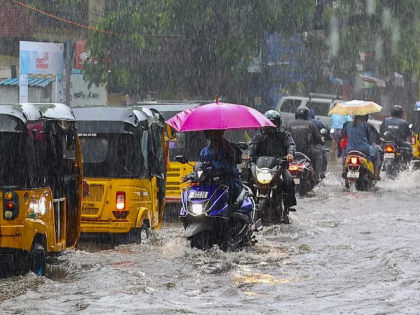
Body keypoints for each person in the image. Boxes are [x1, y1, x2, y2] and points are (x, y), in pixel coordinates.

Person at [248, 110, 297, 221]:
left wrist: (290, 154)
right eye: (268, 123)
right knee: (246, 177)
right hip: (261, 168)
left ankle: (287, 207)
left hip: (279, 167)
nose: (270, 125)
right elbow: (252, 146)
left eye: (273, 122)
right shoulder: (259, 135)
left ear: (278, 123)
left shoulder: (284, 135)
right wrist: (248, 154)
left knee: (288, 180)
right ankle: (247, 205)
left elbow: (291, 145)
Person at [199, 129, 243, 204]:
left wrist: (228, 148)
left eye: (215, 132)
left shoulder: (231, 147)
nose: (213, 135)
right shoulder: (204, 152)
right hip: (212, 184)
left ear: (221, 133)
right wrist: (193, 174)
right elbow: (200, 166)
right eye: (210, 133)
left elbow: (238, 160)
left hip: (230, 182)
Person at [286, 106, 323, 182]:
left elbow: (284, 139)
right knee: (318, 154)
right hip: (307, 152)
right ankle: (316, 177)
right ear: (307, 115)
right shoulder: (310, 124)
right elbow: (318, 139)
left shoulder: (288, 124)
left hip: (291, 153)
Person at [342, 115, 382, 180]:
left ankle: (344, 170)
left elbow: (343, 135)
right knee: (377, 151)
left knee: (344, 155)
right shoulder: (366, 125)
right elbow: (370, 139)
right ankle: (376, 174)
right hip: (364, 148)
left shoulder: (347, 124)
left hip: (349, 149)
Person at [309, 108, 328, 178]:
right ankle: (321, 172)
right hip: (314, 146)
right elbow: (325, 129)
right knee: (322, 152)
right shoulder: (316, 122)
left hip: (302, 147)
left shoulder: (298, 123)